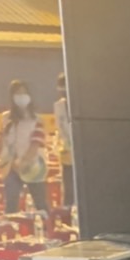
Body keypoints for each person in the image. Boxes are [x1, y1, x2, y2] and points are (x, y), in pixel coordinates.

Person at [0, 79, 49, 214]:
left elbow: (35, 144)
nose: (21, 96)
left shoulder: (37, 119)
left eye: (24, 93)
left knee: (40, 203)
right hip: (10, 167)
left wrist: (23, 162)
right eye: (18, 93)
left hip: (33, 167)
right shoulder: (6, 118)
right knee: (11, 204)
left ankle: (46, 224)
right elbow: (1, 139)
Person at [54, 71, 74, 210]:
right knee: (68, 188)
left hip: (81, 154)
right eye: (61, 87)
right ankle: (68, 209)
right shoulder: (58, 106)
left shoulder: (80, 104)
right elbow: (60, 128)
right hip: (67, 153)